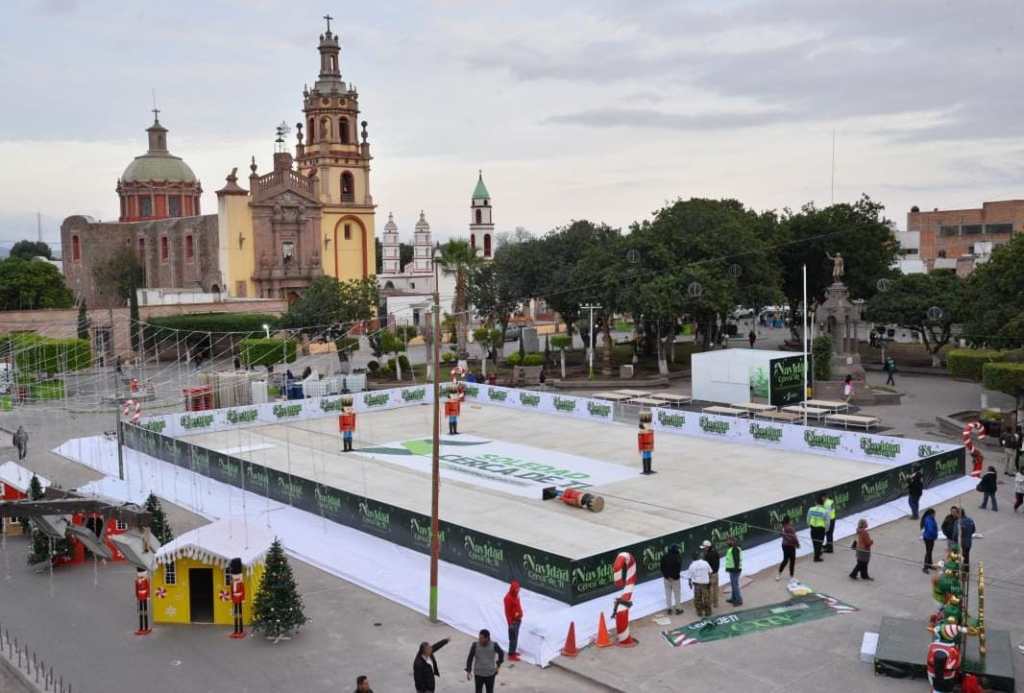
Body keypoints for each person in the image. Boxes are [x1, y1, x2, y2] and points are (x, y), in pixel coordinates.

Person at [465, 629, 504, 693]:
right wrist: (468, 670)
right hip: (478, 674)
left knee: (490, 691)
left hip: (490, 674)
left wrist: (498, 665)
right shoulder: (475, 645)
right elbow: (470, 658)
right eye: (479, 638)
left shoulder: (494, 645)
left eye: (481, 638)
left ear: (487, 638)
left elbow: (501, 653)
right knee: (478, 691)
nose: (479, 640)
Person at [687, 551, 713, 618]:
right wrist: (710, 580)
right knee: (706, 598)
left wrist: (690, 584)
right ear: (699, 556)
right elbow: (710, 572)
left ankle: (699, 612)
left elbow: (689, 577)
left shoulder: (692, 565)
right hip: (705, 584)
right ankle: (708, 612)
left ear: (692, 558)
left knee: (698, 599)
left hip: (697, 585)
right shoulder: (705, 563)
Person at [659, 544, 683, 615]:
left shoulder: (664, 557)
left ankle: (669, 609)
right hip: (675, 579)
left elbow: (662, 568)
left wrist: (667, 576)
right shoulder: (678, 557)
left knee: (668, 594)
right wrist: (673, 576)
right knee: (677, 594)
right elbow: (678, 568)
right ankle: (678, 609)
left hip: (666, 579)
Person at [503, 580, 523, 661]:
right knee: (513, 638)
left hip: (517, 620)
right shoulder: (508, 598)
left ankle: (513, 651)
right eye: (516, 590)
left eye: (518, 589)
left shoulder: (516, 596)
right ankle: (511, 655)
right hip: (513, 622)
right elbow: (507, 612)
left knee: (515, 637)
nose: (517, 591)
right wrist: (510, 623)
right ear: (512, 589)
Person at [807, 495, 829, 561]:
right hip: (820, 529)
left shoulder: (811, 509)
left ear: (816, 503)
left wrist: (809, 525)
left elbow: (808, 519)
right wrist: (826, 529)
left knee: (814, 542)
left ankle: (817, 554)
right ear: (822, 504)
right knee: (819, 543)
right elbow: (827, 521)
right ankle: (816, 557)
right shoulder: (824, 511)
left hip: (813, 528)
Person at [776, 515, 799, 580]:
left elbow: (780, 534)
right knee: (792, 560)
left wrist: (781, 532)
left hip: (785, 545)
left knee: (785, 560)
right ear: (789, 521)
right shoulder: (790, 528)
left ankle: (779, 574)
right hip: (790, 546)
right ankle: (791, 576)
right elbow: (794, 538)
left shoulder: (783, 527)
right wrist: (797, 544)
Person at [724, 536, 743, 606]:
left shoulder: (735, 549)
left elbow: (736, 560)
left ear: (732, 541)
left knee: (735, 585)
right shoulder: (733, 548)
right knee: (733, 585)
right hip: (733, 570)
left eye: (728, 541)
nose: (726, 542)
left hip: (735, 570)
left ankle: (738, 600)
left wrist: (735, 569)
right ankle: (733, 598)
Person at [703, 539, 721, 609]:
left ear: (707, 547)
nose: (704, 549)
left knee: (709, 589)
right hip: (716, 573)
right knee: (715, 589)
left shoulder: (708, 555)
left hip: (710, 575)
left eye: (704, 547)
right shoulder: (715, 552)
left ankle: (709, 603)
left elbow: (706, 566)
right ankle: (715, 603)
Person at [920, 508, 938, 573]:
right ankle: (925, 567)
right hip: (929, 538)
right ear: (931, 514)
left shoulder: (929, 518)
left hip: (929, 537)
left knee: (929, 551)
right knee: (928, 552)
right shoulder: (929, 520)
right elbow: (931, 529)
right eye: (934, 514)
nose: (935, 515)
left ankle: (930, 565)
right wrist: (934, 535)